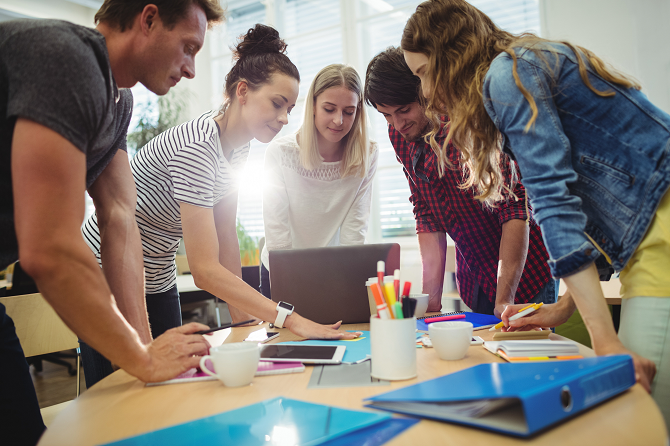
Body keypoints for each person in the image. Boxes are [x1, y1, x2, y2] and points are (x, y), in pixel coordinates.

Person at [401, 0, 667, 420]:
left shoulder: (507, 78)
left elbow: (555, 204)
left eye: (422, 73)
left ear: (449, 57)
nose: (428, 92)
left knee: (640, 409)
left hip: (662, 230)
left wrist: (606, 343)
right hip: (648, 235)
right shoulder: (520, 63)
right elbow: (592, 207)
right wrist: (562, 309)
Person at [81, 25, 360, 387]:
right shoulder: (197, 146)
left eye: (290, 108)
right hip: (108, 267)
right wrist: (287, 318)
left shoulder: (238, 147)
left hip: (158, 273)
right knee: (120, 393)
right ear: (242, 91)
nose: (285, 118)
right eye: (277, 104)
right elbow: (204, 270)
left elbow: (226, 234)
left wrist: (245, 323)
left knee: (168, 387)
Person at [0, 1, 224, 444]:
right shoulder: (68, 58)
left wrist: (146, 354)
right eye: (188, 47)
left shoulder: (117, 99)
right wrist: (141, 359)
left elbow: (121, 219)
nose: (192, 68)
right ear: (148, 19)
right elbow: (49, 250)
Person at [364, 47, 555, 316]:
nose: (396, 124)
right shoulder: (400, 134)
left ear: (425, 92)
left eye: (404, 110)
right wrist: (430, 302)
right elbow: (426, 212)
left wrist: (505, 300)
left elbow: (513, 209)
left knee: (527, 355)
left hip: (524, 275)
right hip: (475, 276)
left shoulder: (468, 123)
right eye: (386, 115)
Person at [260, 64, 378, 298]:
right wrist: (292, 284)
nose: (338, 120)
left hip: (334, 269)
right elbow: (277, 234)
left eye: (348, 111)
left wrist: (345, 284)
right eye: (329, 109)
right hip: (281, 268)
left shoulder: (367, 154)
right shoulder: (281, 153)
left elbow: (355, 232)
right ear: (313, 106)